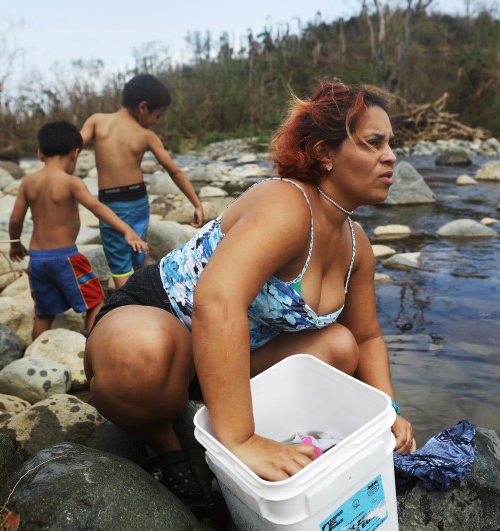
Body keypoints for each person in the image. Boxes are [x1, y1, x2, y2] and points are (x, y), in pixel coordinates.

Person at [84, 82, 416, 510]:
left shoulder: (357, 246)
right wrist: (241, 440)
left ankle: (235, 427)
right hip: (152, 317)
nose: (391, 155)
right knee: (141, 356)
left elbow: (368, 337)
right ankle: (162, 443)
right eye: (374, 143)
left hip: (224, 358)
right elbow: (217, 301)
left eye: (391, 144)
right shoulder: (286, 203)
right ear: (324, 153)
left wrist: (387, 414)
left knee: (340, 346)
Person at [8, 120, 149, 340]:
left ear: (39, 154)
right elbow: (97, 207)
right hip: (66, 259)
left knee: (43, 313)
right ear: (75, 154)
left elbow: (16, 219)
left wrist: (15, 244)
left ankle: (34, 353)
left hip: (36, 261)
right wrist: (127, 230)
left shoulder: (28, 182)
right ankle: (93, 347)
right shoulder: (71, 182)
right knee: (95, 302)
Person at [80, 73, 204, 289]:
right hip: (139, 202)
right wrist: (197, 203)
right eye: (159, 115)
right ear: (143, 107)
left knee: (120, 263)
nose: (157, 121)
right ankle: (149, 291)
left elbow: (72, 146)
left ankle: (128, 306)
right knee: (138, 248)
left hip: (113, 205)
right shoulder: (146, 136)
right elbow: (174, 171)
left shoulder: (97, 122)